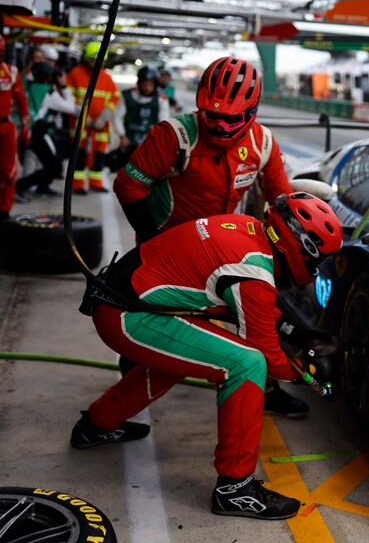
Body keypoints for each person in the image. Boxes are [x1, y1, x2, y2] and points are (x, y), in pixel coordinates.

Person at [71, 192, 343, 520]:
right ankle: (235, 490)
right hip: (126, 317)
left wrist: (301, 335)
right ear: (301, 247)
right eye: (316, 260)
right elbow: (268, 353)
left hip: (122, 301)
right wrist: (304, 373)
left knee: (188, 357)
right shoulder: (253, 269)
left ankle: (97, 425)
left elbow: (255, 307)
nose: (314, 271)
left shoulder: (247, 229)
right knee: (246, 363)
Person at [113, 56, 305, 416]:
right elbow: (128, 187)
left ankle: (264, 385)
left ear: (252, 112)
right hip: (165, 246)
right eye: (211, 115)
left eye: (231, 118)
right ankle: (131, 381)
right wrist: (151, 238)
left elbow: (282, 202)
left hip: (221, 248)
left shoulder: (263, 144)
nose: (219, 125)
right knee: (150, 330)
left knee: (254, 312)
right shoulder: (174, 134)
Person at [67, 40, 121, 194]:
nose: (95, 62)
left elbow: (114, 98)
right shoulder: (75, 74)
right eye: (92, 59)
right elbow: (68, 98)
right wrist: (83, 116)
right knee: (79, 154)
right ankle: (77, 184)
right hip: (80, 125)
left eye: (98, 59)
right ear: (86, 58)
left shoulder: (106, 77)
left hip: (100, 126)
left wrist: (103, 118)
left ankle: (96, 182)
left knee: (99, 156)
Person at [17, 62, 76, 198]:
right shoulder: (48, 92)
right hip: (37, 132)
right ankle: (20, 186)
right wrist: (64, 86)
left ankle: (41, 187)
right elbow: (70, 108)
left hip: (25, 129)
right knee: (55, 167)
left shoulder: (28, 85)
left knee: (57, 154)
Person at [0, 36, 31, 221]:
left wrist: (25, 125)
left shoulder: (11, 72)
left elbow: (22, 102)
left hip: (6, 128)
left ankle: (3, 211)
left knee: (8, 170)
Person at [115, 65, 170, 152]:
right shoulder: (127, 96)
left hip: (150, 143)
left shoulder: (161, 99)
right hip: (128, 141)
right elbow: (117, 117)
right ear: (139, 83)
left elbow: (163, 123)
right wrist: (122, 135)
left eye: (150, 85)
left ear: (155, 85)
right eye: (144, 84)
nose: (147, 88)